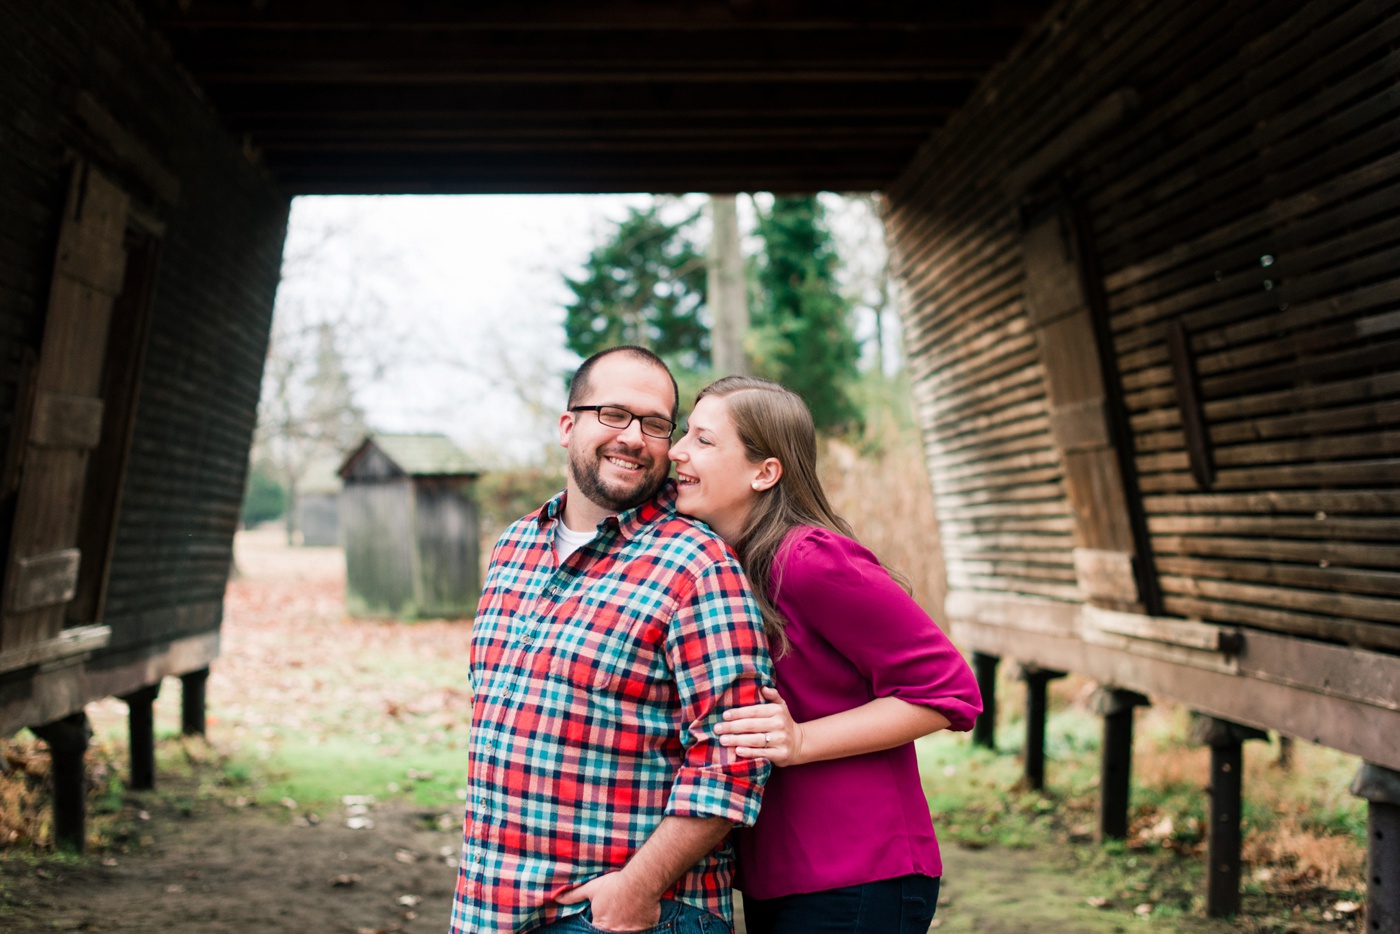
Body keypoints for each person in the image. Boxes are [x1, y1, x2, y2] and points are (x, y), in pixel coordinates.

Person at [449, 347, 773, 934]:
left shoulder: (697, 565)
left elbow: (733, 759)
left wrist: (636, 888)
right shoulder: (514, 546)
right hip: (490, 907)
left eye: (654, 424)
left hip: (622, 916)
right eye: (613, 415)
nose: (634, 437)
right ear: (569, 425)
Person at [668, 375, 982, 934]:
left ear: (764, 472)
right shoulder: (721, 564)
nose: (677, 451)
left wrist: (802, 739)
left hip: (857, 874)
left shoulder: (807, 559)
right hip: (786, 874)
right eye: (683, 434)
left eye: (704, 440)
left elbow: (950, 692)